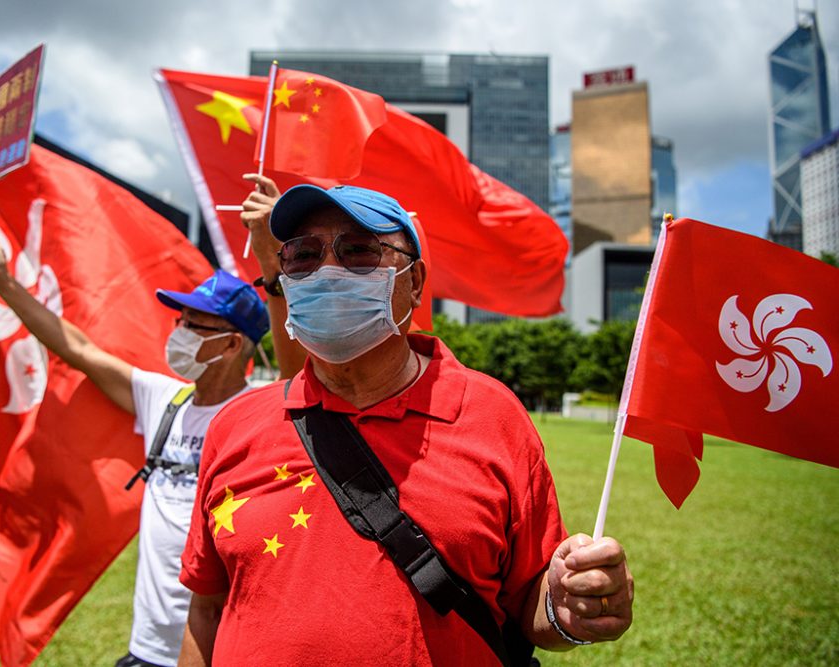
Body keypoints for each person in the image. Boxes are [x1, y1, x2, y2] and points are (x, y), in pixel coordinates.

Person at [177, 184, 634, 666]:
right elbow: (206, 607)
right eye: (303, 255)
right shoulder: (235, 425)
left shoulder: (492, 415)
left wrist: (565, 606)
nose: (328, 271)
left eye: (358, 251)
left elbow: (530, 602)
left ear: (414, 282)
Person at [0, 235, 270, 667]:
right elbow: (76, 348)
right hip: (148, 645)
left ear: (231, 345)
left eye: (195, 325)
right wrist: (2, 281)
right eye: (179, 321)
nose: (179, 334)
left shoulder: (257, 410)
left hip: (217, 648)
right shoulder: (163, 398)